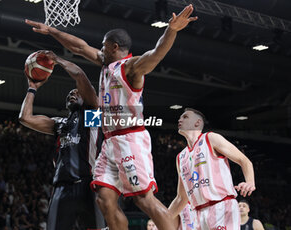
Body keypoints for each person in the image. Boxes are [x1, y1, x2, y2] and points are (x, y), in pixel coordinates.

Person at [26, 6, 197, 230]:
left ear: (114, 47)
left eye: (104, 46)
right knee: (104, 199)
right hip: (110, 143)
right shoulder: (106, 64)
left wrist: (171, 31)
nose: (100, 49)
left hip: (130, 140)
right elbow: (79, 46)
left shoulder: (132, 67)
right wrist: (51, 31)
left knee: (144, 200)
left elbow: (156, 54)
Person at [19, 51, 105, 230]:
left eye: (76, 93)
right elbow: (25, 118)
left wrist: (57, 60)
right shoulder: (59, 124)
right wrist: (32, 88)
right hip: (61, 188)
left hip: (88, 185)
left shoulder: (92, 115)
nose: (72, 94)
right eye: (69, 94)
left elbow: (80, 76)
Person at [169, 108, 256, 230]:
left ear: (197, 123)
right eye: (180, 117)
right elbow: (181, 198)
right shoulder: (180, 157)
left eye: (185, 117)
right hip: (198, 214)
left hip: (222, 206)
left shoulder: (210, 138)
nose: (180, 119)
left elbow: (244, 161)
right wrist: (161, 220)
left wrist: (250, 182)